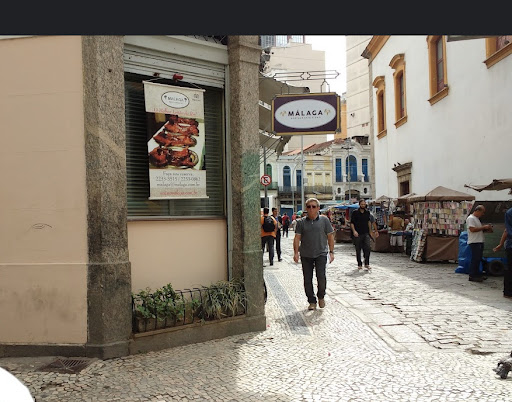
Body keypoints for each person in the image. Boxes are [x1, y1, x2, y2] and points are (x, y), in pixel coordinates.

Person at [293, 198, 335, 310]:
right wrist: (296, 253)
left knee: (321, 277)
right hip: (306, 254)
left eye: (313, 206)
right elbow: (297, 238)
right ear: (306, 208)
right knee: (307, 279)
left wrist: (331, 252)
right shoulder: (301, 222)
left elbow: (330, 236)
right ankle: (311, 301)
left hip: (321, 253)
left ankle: (321, 296)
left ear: (318, 208)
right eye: (309, 206)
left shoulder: (324, 220)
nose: (311, 209)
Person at [466, 204, 493, 282]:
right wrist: (483, 227)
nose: (483, 214)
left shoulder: (476, 219)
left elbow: (477, 230)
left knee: (478, 259)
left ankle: (477, 274)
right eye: (482, 212)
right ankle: (472, 275)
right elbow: (472, 229)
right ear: (477, 211)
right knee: (475, 259)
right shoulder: (471, 218)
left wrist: (486, 229)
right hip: (474, 241)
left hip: (479, 240)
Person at [350, 199, 378, 271]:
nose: (363, 205)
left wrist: (371, 231)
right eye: (362, 204)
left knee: (367, 248)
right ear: (359, 205)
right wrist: (354, 231)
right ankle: (359, 264)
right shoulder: (355, 213)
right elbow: (352, 223)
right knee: (358, 249)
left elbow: (369, 222)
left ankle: (367, 263)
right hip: (358, 233)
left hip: (366, 233)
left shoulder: (367, 213)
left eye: (364, 204)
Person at [492, 207, 512, 298]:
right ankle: (508, 291)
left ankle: (508, 292)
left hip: (510, 245)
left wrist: (500, 244)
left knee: (510, 268)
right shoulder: (509, 213)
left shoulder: (509, 213)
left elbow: (506, 230)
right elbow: (507, 231)